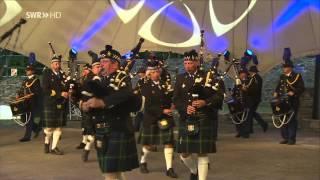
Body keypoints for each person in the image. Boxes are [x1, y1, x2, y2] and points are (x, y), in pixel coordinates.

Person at [82, 46, 139, 180]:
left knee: (110, 172)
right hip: (101, 129)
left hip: (117, 127)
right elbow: (87, 97)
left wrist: (102, 102)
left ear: (115, 64)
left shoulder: (122, 77)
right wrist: (85, 105)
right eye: (101, 61)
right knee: (111, 171)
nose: (101, 64)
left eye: (105, 61)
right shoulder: (99, 80)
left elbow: (125, 95)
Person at [173, 50, 223, 180]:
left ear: (196, 62)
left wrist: (205, 102)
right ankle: (194, 170)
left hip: (203, 118)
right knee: (184, 153)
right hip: (186, 118)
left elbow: (219, 96)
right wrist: (185, 107)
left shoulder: (208, 76)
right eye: (185, 63)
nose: (187, 65)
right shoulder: (180, 78)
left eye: (190, 62)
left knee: (202, 152)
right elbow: (176, 99)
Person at [138, 60, 178, 178]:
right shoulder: (145, 87)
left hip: (165, 118)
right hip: (151, 119)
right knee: (148, 145)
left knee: (169, 143)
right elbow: (148, 106)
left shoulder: (166, 84)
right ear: (149, 73)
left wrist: (173, 104)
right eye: (154, 71)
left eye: (157, 71)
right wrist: (162, 111)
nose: (156, 73)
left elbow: (172, 97)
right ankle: (143, 161)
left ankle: (169, 168)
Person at [42, 55, 68, 155]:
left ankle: (54, 148)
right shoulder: (47, 74)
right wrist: (59, 93)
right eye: (55, 63)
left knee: (59, 127)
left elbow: (65, 86)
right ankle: (46, 142)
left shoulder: (62, 75)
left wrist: (67, 93)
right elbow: (45, 89)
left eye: (59, 63)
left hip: (61, 103)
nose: (58, 65)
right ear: (51, 64)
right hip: (50, 103)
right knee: (49, 128)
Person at [274, 60, 304, 145]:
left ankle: (291, 139)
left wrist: (294, 92)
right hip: (282, 101)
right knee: (282, 119)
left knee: (291, 120)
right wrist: (276, 92)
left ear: (290, 68)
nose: (284, 68)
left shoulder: (297, 76)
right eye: (283, 67)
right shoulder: (282, 76)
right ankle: (285, 138)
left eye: (285, 67)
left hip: (292, 101)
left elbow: (301, 88)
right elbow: (279, 86)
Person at [16, 65, 42, 142]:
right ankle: (37, 128)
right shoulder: (25, 80)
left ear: (33, 71)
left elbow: (37, 92)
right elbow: (21, 89)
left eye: (28, 70)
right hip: (25, 102)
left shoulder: (36, 80)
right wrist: (18, 94)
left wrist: (29, 95)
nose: (26, 71)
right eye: (26, 70)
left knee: (29, 119)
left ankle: (27, 137)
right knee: (23, 119)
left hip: (32, 102)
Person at [245, 66, 268, 133]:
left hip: (254, 99)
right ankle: (251, 129)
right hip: (254, 98)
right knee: (252, 113)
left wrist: (247, 90)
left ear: (252, 72)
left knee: (250, 114)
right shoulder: (254, 78)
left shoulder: (256, 78)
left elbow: (255, 89)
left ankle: (263, 124)